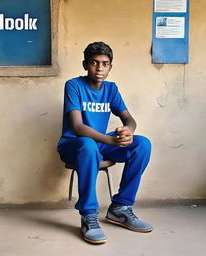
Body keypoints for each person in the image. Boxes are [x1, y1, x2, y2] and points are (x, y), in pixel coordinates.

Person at [57, 42, 153, 244]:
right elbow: (77, 127)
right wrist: (111, 140)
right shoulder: (74, 85)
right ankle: (89, 215)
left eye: (105, 63)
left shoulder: (111, 89)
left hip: (97, 144)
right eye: (94, 63)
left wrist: (129, 131)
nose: (99, 68)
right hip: (74, 145)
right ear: (85, 65)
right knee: (88, 144)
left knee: (142, 144)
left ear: (110, 66)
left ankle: (120, 208)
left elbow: (129, 119)